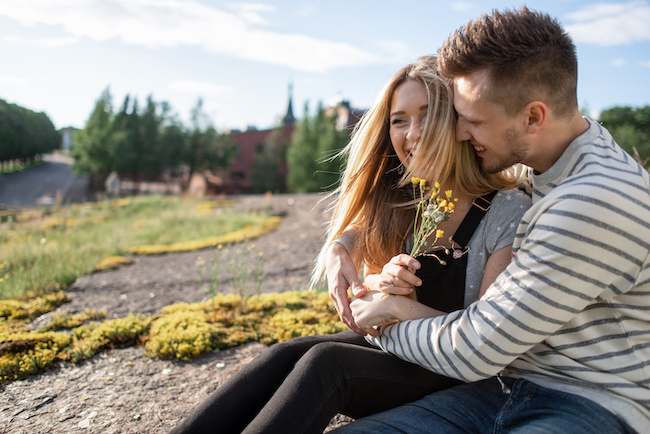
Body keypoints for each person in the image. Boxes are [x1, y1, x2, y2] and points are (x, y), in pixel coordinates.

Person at [330, 7, 650, 433]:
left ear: (534, 117)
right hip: (497, 391)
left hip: (591, 401)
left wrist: (385, 316)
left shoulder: (590, 199)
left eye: (474, 121)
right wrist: (342, 245)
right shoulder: (552, 164)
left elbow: (476, 350)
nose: (459, 133)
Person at [171, 56, 530, 434]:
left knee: (328, 365)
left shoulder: (506, 211)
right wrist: (338, 249)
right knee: (285, 354)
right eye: (399, 120)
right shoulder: (414, 198)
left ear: (458, 122)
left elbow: (486, 339)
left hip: (460, 373)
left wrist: (393, 304)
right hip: (405, 348)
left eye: (428, 115)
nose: (412, 134)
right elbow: (360, 229)